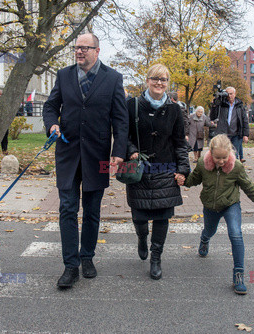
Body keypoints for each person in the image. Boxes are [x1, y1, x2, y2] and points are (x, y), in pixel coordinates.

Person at [43, 33, 128, 289]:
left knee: (92, 211)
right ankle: (70, 266)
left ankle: (87, 257)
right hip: (67, 154)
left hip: (97, 155)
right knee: (67, 209)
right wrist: (52, 125)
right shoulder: (64, 75)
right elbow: (50, 107)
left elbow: (120, 120)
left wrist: (119, 151)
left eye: (84, 48)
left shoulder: (113, 79)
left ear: (97, 51)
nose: (79, 52)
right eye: (76, 48)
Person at [179, 134, 254, 294]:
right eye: (217, 157)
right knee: (209, 231)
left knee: (235, 234)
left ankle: (239, 275)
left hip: (230, 204)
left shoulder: (236, 167)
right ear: (211, 154)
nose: (221, 161)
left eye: (224, 157)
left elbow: (247, 185)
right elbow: (194, 180)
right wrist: (183, 180)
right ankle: (204, 240)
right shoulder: (202, 164)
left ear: (230, 153)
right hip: (210, 206)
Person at [126, 64, 189, 280]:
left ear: (167, 83)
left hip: (165, 169)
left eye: (163, 79)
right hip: (139, 170)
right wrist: (131, 150)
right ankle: (141, 237)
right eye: (155, 78)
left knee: (162, 217)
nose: (159, 83)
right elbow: (123, 135)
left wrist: (183, 170)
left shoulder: (174, 109)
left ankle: (156, 257)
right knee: (139, 215)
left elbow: (180, 142)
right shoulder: (132, 105)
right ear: (147, 80)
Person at [209, 87, 249, 163]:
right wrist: (214, 104)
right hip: (223, 134)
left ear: (235, 94)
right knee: (223, 154)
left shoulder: (239, 105)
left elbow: (244, 120)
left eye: (231, 94)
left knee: (234, 155)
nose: (229, 96)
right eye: (228, 94)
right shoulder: (221, 104)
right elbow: (213, 117)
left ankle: (234, 172)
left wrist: (245, 134)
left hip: (236, 134)